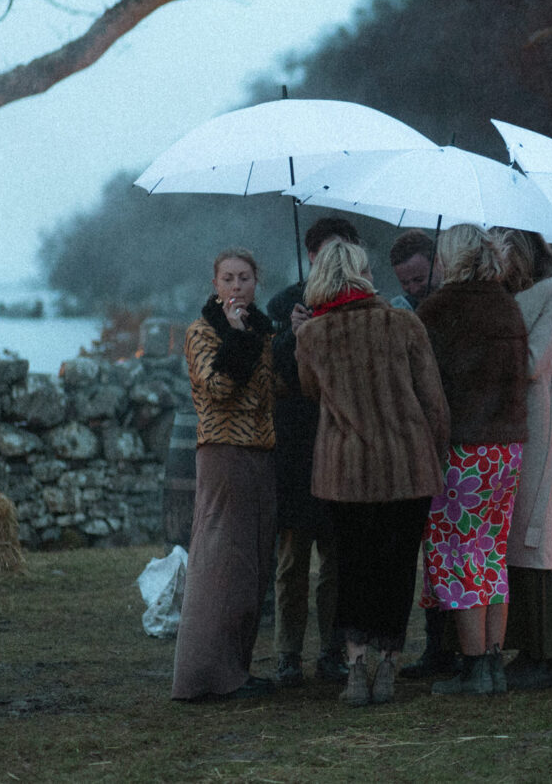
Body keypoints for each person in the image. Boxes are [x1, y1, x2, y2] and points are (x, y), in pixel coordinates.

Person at [294, 240, 449, 706]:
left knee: (353, 569)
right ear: (363, 273)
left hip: (346, 473)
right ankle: (388, 666)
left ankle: (356, 668)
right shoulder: (403, 323)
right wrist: (433, 457)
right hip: (406, 468)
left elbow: (310, 392)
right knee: (397, 569)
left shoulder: (313, 336)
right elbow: (433, 402)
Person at [416, 224, 529, 696]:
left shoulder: (440, 308)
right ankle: (494, 664)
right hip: (508, 447)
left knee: (457, 556)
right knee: (491, 553)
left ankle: (473, 667)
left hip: (462, 448)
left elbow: (423, 380)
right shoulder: (507, 304)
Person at [172, 248, 278, 701]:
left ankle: (235, 668)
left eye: (245, 278)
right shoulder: (202, 332)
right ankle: (204, 675)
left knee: (251, 567)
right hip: (223, 452)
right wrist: (235, 336)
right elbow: (216, 388)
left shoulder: (262, 331)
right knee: (220, 563)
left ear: (257, 283)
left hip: (260, 452)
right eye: (228, 279)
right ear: (215, 284)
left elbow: (273, 389)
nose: (237, 287)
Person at [266, 217, 362, 687]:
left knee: (338, 558)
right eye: (327, 251)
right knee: (291, 560)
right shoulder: (284, 303)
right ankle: (287, 654)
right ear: (310, 256)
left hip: (341, 442)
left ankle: (332, 650)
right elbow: (274, 375)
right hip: (296, 445)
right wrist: (291, 333)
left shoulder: (361, 308)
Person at [499, 230, 552, 690]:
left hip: (534, 417)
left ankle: (548, 652)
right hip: (504, 418)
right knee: (507, 530)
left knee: (530, 529)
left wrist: (490, 343)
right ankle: (526, 645)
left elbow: (533, 361)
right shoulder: (505, 295)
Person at [390, 227, 455, 679]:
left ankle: (453, 645)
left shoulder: (452, 308)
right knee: (430, 553)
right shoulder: (398, 314)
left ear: (437, 265)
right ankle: (436, 647)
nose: (414, 289)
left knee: (453, 548)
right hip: (413, 444)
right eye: (406, 282)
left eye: (419, 278)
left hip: (454, 440)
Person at [388, 228, 438, 311]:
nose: (414, 290)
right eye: (405, 283)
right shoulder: (399, 310)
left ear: (437, 261)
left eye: (419, 280)